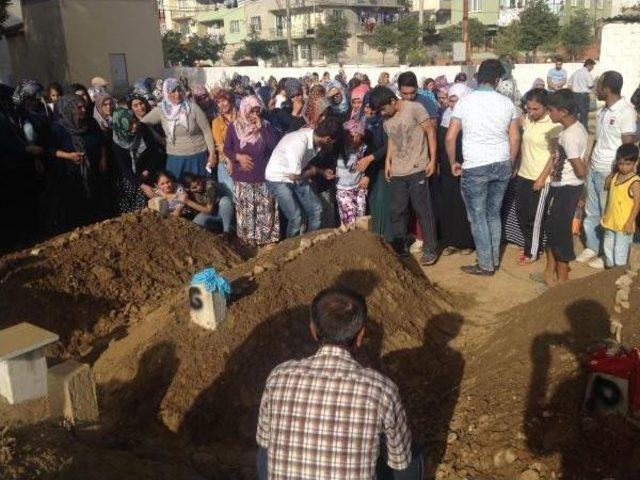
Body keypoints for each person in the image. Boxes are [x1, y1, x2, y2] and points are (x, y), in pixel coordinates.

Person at [256, 288, 419, 480]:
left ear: (313, 330)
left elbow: (264, 441)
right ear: (360, 336)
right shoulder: (381, 389)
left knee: (264, 451)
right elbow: (400, 459)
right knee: (412, 456)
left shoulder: (278, 377)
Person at [445, 59, 520, 276]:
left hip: (476, 166)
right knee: (493, 214)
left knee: (477, 217)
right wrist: (511, 162)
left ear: (477, 77)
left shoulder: (465, 102)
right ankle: (493, 259)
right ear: (497, 80)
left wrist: (452, 162)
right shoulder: (507, 103)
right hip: (501, 163)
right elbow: (514, 138)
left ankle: (486, 264)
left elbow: (450, 137)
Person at [370, 85, 439, 266]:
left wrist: (432, 160)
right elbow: (393, 138)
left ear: (393, 101)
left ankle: (430, 249)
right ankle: (400, 247)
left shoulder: (414, 108)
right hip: (398, 170)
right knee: (396, 210)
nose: (382, 113)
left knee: (422, 210)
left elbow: (430, 131)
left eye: (384, 108)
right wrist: (388, 162)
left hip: (418, 168)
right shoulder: (386, 118)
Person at [578, 71, 638, 269]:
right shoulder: (604, 111)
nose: (595, 89)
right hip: (595, 167)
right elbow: (597, 140)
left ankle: (607, 255)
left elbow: (627, 148)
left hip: (609, 172)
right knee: (591, 210)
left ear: (607, 89)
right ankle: (592, 248)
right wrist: (588, 163)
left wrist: (615, 174)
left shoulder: (626, 112)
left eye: (598, 85)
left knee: (609, 213)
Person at [536, 89, 587, 286]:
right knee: (552, 227)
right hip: (561, 185)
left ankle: (563, 280)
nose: (549, 114)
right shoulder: (572, 130)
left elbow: (580, 170)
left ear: (563, 112)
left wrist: (582, 191)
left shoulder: (570, 136)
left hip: (568, 187)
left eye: (551, 110)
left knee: (560, 232)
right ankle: (549, 272)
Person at [265, 117, 342, 238]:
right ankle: (289, 249)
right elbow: (294, 176)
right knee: (296, 217)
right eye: (332, 142)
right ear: (327, 139)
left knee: (316, 210)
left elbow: (301, 161)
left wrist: (321, 171)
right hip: (278, 178)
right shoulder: (300, 142)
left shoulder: (313, 137)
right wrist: (316, 171)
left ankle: (307, 244)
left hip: (294, 174)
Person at [223, 95, 280, 246]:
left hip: (263, 178)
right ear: (244, 109)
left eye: (257, 110)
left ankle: (265, 244)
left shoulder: (266, 126)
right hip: (243, 178)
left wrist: (262, 129)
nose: (255, 114)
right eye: (251, 110)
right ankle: (248, 245)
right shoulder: (234, 127)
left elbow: (274, 146)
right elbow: (226, 149)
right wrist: (238, 157)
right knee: (246, 212)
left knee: (265, 211)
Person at [515, 88, 562, 265]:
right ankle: (531, 243)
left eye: (536, 109)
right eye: (529, 108)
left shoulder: (553, 124)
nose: (532, 112)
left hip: (541, 177)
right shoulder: (526, 119)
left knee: (536, 217)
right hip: (523, 173)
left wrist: (542, 178)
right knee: (521, 212)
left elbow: (555, 155)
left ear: (545, 107)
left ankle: (532, 252)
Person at [142, 78, 215, 181]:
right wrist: (159, 138)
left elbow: (206, 131)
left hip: (197, 156)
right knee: (177, 189)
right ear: (167, 93)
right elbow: (143, 123)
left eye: (179, 90)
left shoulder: (192, 108)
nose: (177, 94)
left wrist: (212, 154)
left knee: (201, 188)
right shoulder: (162, 110)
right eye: (173, 91)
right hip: (175, 158)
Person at [50, 94, 105, 229]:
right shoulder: (58, 128)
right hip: (72, 175)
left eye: (83, 107)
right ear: (69, 109)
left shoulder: (90, 123)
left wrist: (103, 159)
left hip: (94, 170)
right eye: (79, 108)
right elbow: (51, 150)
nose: (83, 110)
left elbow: (102, 141)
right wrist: (69, 156)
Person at [435, 83, 474, 255]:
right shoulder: (445, 116)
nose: (452, 104)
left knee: (465, 203)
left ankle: (467, 242)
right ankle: (451, 241)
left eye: (455, 100)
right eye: (450, 101)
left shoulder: (472, 117)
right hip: (446, 167)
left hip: (465, 164)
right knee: (449, 201)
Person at [110, 107, 159, 214]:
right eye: (130, 124)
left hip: (147, 171)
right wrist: (142, 185)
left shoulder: (143, 130)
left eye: (135, 121)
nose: (135, 125)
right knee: (137, 213)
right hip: (130, 179)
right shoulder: (117, 143)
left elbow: (154, 153)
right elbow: (124, 168)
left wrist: (148, 170)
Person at [600, 144, 640, 267]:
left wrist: (630, 222)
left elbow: (637, 203)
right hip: (611, 221)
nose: (623, 167)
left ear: (634, 163)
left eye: (628, 164)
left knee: (620, 252)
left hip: (624, 224)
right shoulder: (615, 176)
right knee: (608, 247)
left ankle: (618, 276)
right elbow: (608, 191)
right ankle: (610, 273)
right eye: (621, 164)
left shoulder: (635, 181)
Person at [360, 90, 391, 242]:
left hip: (383, 169)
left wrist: (370, 160)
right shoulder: (366, 123)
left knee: (382, 204)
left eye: (371, 106)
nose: (368, 110)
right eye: (366, 106)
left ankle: (386, 240)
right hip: (372, 170)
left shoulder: (383, 123)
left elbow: (386, 148)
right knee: (374, 203)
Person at [335, 119, 369, 227]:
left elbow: (370, 164)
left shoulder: (364, 148)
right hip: (343, 189)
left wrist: (367, 176)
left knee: (361, 217)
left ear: (361, 135)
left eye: (356, 134)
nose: (353, 138)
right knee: (349, 218)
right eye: (350, 135)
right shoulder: (339, 148)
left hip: (359, 187)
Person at [568, 59, 596, 130]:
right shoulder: (587, 73)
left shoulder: (576, 72)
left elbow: (569, 83)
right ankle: (583, 131)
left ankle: (573, 129)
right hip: (583, 96)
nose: (592, 68)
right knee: (584, 115)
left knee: (574, 114)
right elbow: (590, 85)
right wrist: (595, 82)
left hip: (574, 95)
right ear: (589, 65)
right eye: (592, 66)